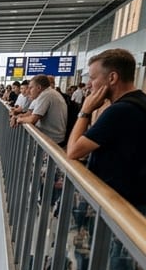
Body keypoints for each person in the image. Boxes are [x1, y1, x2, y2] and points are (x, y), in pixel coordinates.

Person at [66, 48, 146, 209]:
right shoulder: (139, 102)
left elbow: (73, 151)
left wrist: (85, 111)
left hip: (120, 205)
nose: (89, 84)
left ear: (112, 77)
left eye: (93, 78)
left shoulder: (120, 111)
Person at [13, 75, 69, 146]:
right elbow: (29, 114)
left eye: (31, 88)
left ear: (39, 88)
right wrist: (16, 117)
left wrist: (19, 120)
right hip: (50, 138)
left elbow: (32, 119)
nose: (29, 91)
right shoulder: (43, 95)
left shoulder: (46, 95)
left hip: (51, 141)